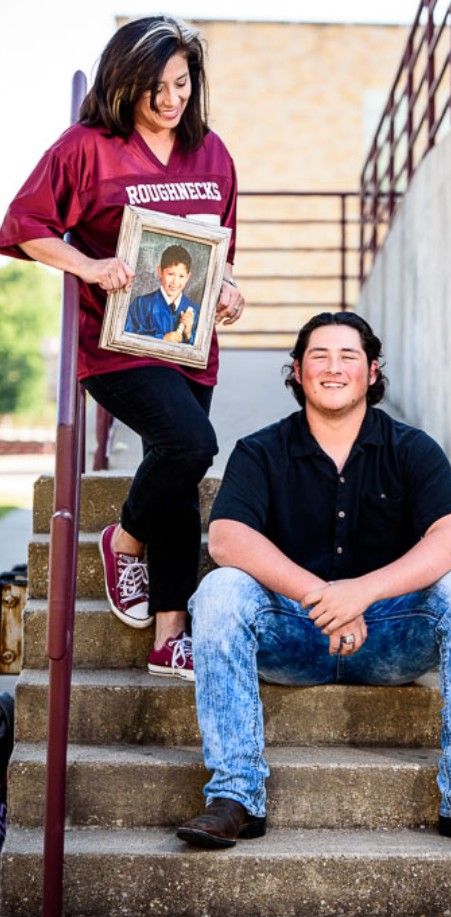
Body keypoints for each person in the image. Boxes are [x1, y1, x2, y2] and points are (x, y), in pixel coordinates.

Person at [177, 311, 451, 852]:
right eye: (318, 357)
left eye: (347, 356)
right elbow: (228, 539)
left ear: (372, 372)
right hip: (292, 635)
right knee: (219, 591)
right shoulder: (260, 450)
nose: (333, 368)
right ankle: (234, 796)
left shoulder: (412, 448)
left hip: (392, 639)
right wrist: (320, 597)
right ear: (298, 373)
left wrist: (361, 593)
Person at [0, 16, 245, 680]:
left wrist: (227, 289)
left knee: (178, 468)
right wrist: (88, 265)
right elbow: (23, 227)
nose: (171, 100)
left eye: (182, 83)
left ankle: (170, 633)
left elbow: (218, 249)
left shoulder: (212, 153)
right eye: (155, 87)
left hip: (189, 344)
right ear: (124, 83)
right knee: (190, 443)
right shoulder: (87, 147)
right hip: (115, 345)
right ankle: (123, 538)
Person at [125, 243, 200, 344]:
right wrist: (162, 339)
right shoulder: (141, 304)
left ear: (188, 277)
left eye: (181, 276)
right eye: (170, 274)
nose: (175, 282)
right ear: (160, 271)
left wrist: (189, 335)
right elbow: (128, 338)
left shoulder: (195, 311)